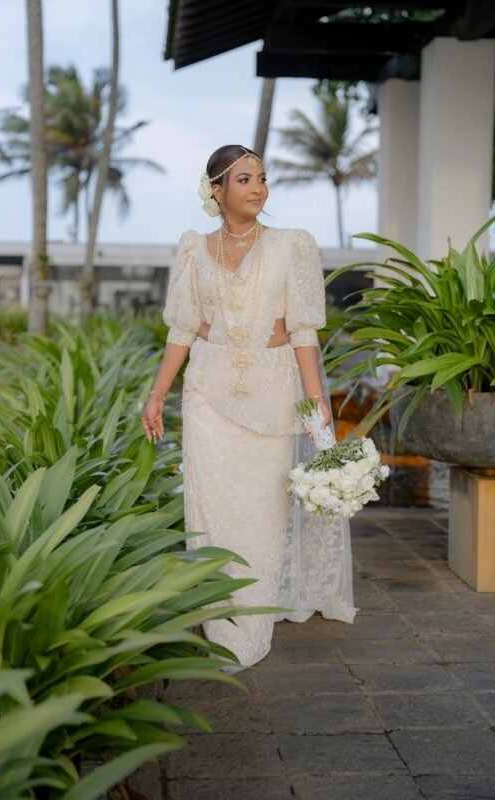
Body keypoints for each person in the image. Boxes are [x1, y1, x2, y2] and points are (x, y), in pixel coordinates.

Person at [141, 144, 357, 670]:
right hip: (207, 395)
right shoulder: (194, 250)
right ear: (217, 191)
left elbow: (303, 331)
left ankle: (250, 623)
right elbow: (182, 329)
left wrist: (317, 403)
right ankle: (220, 615)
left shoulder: (291, 246)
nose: (258, 188)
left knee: (262, 512)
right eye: (244, 180)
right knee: (212, 511)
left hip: (272, 395)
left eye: (261, 177)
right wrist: (157, 393)